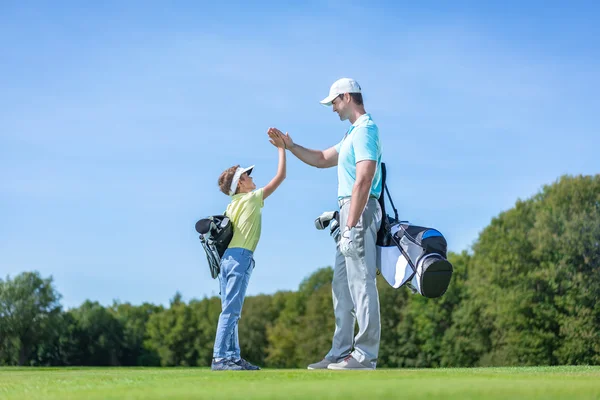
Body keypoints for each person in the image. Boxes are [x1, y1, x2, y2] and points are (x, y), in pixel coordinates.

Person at [268, 77, 383, 370]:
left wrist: (350, 225)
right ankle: (341, 351)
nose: (332, 108)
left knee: (361, 282)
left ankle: (364, 355)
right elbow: (320, 159)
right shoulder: (350, 135)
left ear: (346, 97)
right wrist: (291, 147)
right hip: (348, 212)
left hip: (360, 210)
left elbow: (364, 180)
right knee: (341, 287)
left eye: (333, 102)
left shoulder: (366, 130)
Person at [211, 133, 287, 371]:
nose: (251, 177)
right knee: (231, 312)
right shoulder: (252, 198)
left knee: (231, 311)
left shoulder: (231, 204)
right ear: (240, 185)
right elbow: (281, 177)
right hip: (240, 257)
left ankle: (232, 357)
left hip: (228, 261)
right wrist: (282, 149)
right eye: (246, 175)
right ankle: (221, 358)